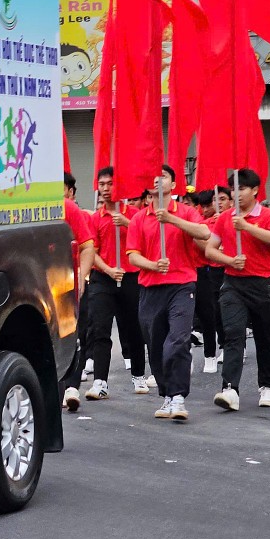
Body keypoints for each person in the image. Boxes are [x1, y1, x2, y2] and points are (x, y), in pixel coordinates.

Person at [127, 165, 210, 421]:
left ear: (173, 185)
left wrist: (171, 219)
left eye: (163, 176)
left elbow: (205, 233)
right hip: (151, 288)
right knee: (156, 345)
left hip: (182, 285)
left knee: (178, 340)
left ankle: (178, 397)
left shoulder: (185, 212)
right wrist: (153, 265)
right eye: (154, 176)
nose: (158, 179)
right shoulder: (139, 218)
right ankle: (166, 394)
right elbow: (132, 256)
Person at [204, 169, 270, 411]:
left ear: (255, 191)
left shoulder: (269, 215)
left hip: (263, 283)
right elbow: (210, 250)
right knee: (233, 333)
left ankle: (268, 385)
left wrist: (247, 228)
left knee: (264, 337)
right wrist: (229, 260)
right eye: (233, 189)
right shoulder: (225, 217)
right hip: (233, 283)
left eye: (241, 189)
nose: (236, 193)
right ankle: (230, 389)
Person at [84, 167, 149, 401]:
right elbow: (92, 251)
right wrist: (109, 270)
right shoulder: (95, 217)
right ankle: (100, 382)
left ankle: (139, 375)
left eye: (109, 184)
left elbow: (146, 237)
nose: (105, 189)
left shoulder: (134, 214)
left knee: (133, 328)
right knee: (99, 328)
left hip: (130, 276)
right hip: (104, 277)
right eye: (101, 184)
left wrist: (126, 223)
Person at [61, 172, 96, 413]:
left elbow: (88, 247)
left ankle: (72, 385)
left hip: (68, 285)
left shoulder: (69, 210)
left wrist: (81, 277)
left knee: (75, 333)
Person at [194, 189, 226, 373]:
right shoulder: (201, 222)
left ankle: (212, 353)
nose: (206, 208)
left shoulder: (224, 221)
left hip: (216, 270)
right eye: (203, 205)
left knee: (213, 313)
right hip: (196, 271)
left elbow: (208, 246)